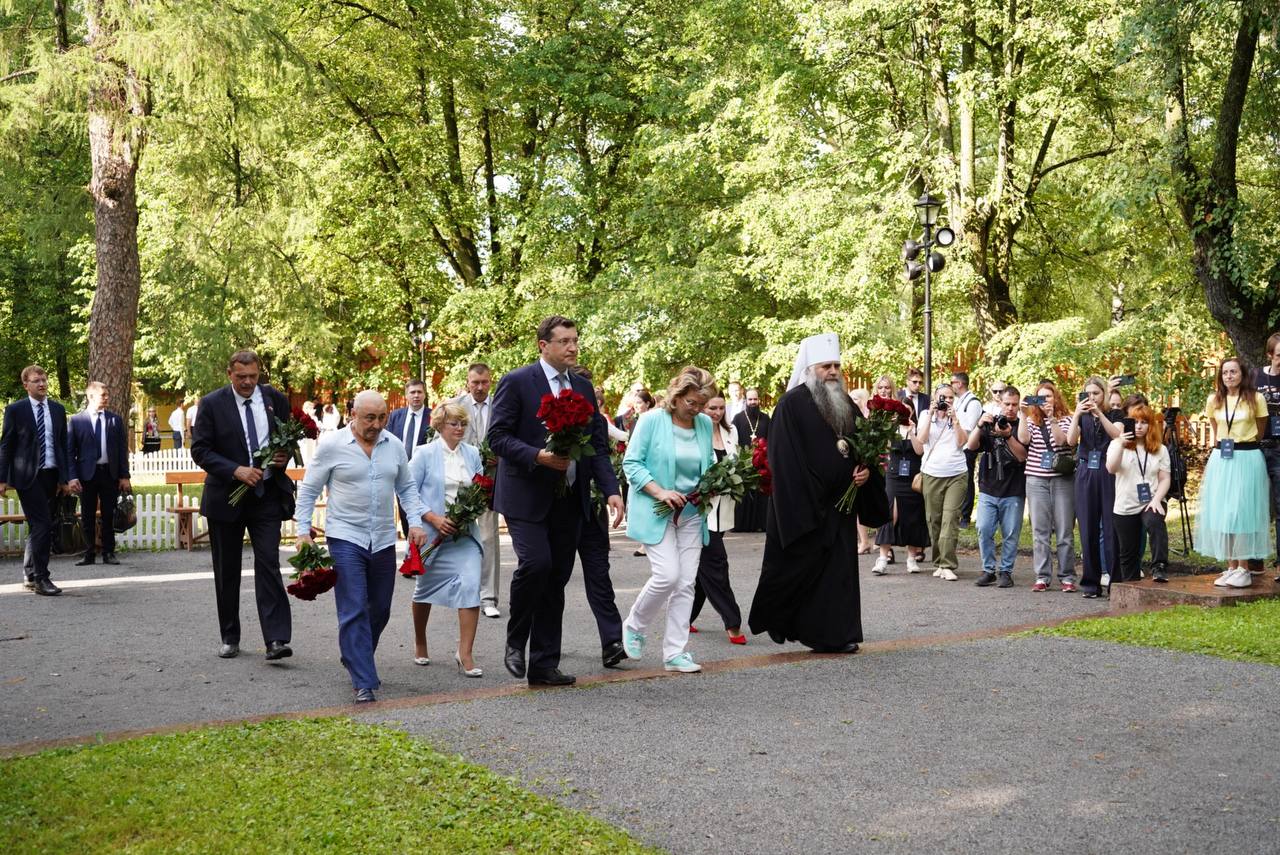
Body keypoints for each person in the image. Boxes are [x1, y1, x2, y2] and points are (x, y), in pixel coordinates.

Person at [488, 315, 624, 687]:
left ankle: (544, 664)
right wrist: (538, 456)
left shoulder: (582, 386)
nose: (573, 347)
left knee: (556, 579)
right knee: (536, 564)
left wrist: (611, 489)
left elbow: (597, 446)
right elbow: (496, 438)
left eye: (575, 340)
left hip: (570, 498)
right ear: (543, 346)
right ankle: (516, 640)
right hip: (526, 494)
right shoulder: (517, 382)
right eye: (564, 341)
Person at [748, 334, 888, 653]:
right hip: (808, 508)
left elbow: (859, 447)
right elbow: (784, 460)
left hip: (842, 508)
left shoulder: (847, 403)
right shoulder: (791, 404)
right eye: (827, 366)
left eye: (837, 365)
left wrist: (864, 470)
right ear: (811, 369)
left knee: (839, 575)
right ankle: (791, 624)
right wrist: (815, 494)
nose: (833, 371)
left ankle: (836, 634)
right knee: (801, 572)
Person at [295, 390, 427, 702]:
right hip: (345, 537)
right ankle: (364, 681)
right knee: (353, 605)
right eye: (370, 417)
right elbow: (309, 488)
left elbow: (406, 487)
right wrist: (302, 531)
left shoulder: (393, 445)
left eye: (382, 417)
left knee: (379, 608)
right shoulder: (332, 445)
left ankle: (355, 655)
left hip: (382, 538)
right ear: (353, 414)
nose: (377, 424)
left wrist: (416, 522)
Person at [190, 350, 295, 660]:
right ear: (229, 374)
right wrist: (236, 470)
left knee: (268, 564)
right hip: (226, 498)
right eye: (241, 377)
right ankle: (230, 635)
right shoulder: (211, 404)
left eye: (253, 376)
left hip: (267, 496)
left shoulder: (275, 399)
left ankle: (275, 639)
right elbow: (201, 450)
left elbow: (288, 440)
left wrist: (284, 455)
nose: (248, 382)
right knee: (227, 570)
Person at [621, 367, 718, 672]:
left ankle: (675, 652)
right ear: (676, 397)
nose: (699, 409)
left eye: (703, 403)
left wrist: (715, 482)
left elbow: (710, 462)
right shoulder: (650, 421)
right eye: (693, 402)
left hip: (691, 512)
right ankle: (634, 625)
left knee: (687, 582)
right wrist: (660, 491)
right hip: (657, 510)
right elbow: (631, 463)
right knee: (667, 575)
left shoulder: (702, 423)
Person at [407, 403, 485, 677]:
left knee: (471, 585)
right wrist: (432, 518)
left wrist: (467, 514)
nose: (460, 429)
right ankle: (420, 640)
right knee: (423, 590)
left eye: (463, 424)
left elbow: (479, 489)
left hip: (464, 535)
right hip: (431, 535)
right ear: (440, 425)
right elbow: (409, 493)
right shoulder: (424, 454)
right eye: (454, 424)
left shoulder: (473, 453)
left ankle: (464, 653)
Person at [570, 366, 628, 669]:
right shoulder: (552, 413)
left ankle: (612, 641)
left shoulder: (596, 418)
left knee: (599, 575)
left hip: (592, 509)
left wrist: (611, 491)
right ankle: (541, 643)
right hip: (561, 507)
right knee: (552, 578)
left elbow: (602, 454)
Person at [1196, 356, 1270, 589]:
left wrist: (1243, 444)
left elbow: (1260, 430)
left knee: (1242, 511)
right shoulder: (1214, 400)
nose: (1229, 376)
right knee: (1223, 512)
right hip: (1222, 459)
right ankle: (1230, 567)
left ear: (1242, 374)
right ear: (1221, 376)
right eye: (1225, 372)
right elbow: (1217, 429)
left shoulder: (1256, 399)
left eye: (1233, 372)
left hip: (1247, 458)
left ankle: (1244, 568)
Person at [0, 365, 72, 596]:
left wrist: (65, 479)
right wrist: (2, 479)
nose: (41, 384)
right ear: (26, 385)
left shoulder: (58, 409)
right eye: (36, 381)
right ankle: (42, 578)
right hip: (28, 476)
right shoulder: (16, 410)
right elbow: (6, 446)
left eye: (44, 380)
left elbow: (63, 446)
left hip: (52, 474)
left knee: (40, 525)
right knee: (42, 524)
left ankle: (30, 573)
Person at [688, 394, 746, 644]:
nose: (717, 412)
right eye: (712, 408)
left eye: (721, 408)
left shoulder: (731, 431)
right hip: (700, 509)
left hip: (724, 508)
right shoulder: (693, 432)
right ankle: (732, 622)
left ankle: (684, 617)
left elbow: (736, 464)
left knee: (705, 566)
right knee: (716, 563)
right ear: (702, 408)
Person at [452, 363, 502, 618]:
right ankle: (463, 592)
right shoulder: (456, 406)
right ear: (468, 382)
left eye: (484, 382)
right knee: (458, 537)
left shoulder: (500, 404)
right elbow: (444, 439)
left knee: (488, 537)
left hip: (491, 481)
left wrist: (501, 457)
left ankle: (488, 598)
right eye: (475, 382)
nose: (480, 387)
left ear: (490, 381)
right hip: (460, 480)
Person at [1016, 381, 1077, 592]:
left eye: (1048, 397)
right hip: (1036, 479)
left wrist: (1051, 419)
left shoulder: (1067, 419)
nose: (1045, 401)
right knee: (1039, 531)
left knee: (1064, 530)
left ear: (1055, 398)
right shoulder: (1031, 420)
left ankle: (1067, 576)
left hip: (1062, 479)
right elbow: (1023, 439)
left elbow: (1063, 442)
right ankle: (1042, 576)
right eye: (1040, 398)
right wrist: (1023, 414)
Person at [1067, 375, 1124, 598]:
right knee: (1087, 527)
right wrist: (1076, 414)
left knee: (1110, 527)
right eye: (1088, 394)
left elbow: (1117, 435)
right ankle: (1090, 583)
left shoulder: (1114, 413)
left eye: (1096, 394)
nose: (1091, 398)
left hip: (1107, 469)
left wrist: (1099, 413)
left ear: (1104, 395)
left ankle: (1114, 581)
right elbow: (1071, 441)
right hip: (1084, 471)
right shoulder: (1081, 415)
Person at [967, 387, 1027, 588]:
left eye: (1014, 405)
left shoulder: (1022, 426)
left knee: (1010, 533)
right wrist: (979, 425)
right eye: (1007, 404)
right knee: (983, 528)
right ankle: (988, 570)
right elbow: (972, 446)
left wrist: (1009, 435)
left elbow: (1022, 456)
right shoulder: (990, 423)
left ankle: (1006, 571)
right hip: (988, 487)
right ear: (999, 403)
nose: (1010, 409)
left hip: (1013, 488)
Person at [67, 382, 131, 567]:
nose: (106, 398)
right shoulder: (77, 421)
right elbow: (70, 452)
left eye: (107, 394)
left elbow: (121, 451)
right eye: (103, 395)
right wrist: (72, 477)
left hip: (108, 474)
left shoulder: (114, 420)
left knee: (109, 514)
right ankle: (88, 553)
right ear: (91, 397)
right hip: (86, 476)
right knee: (87, 515)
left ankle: (109, 552)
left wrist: (124, 476)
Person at [1107, 403, 1172, 584]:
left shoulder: (1160, 449)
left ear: (1150, 425)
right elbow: (1111, 468)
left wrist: (1157, 499)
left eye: (1144, 422)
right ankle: (1130, 589)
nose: (1139, 426)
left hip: (1151, 499)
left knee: (1154, 520)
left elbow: (1165, 478)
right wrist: (1121, 443)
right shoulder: (1116, 445)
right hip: (1125, 503)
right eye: (1135, 422)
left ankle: (1159, 566)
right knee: (1128, 552)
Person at [912, 384, 971, 580]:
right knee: (934, 520)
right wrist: (930, 414)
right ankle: (938, 562)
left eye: (950, 397)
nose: (946, 401)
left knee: (950, 518)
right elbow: (921, 440)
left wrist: (954, 420)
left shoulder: (960, 414)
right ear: (935, 399)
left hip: (956, 474)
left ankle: (948, 564)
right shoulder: (925, 415)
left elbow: (963, 442)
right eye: (942, 397)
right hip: (932, 474)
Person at [872, 376, 928, 576]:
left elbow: (919, 450)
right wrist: (892, 426)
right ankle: (882, 557)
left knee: (912, 516)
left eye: (908, 409)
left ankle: (912, 558)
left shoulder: (918, 427)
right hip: (894, 476)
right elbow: (884, 448)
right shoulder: (890, 428)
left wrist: (911, 429)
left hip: (912, 477)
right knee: (890, 515)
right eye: (901, 410)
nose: (905, 413)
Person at [387, 379, 433, 537]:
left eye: (419, 392)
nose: (416, 396)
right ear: (406, 395)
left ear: (424, 394)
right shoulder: (395, 416)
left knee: (425, 514)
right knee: (406, 515)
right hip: (401, 474)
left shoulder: (433, 416)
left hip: (425, 475)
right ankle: (411, 552)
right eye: (412, 392)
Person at [1253, 332, 1280, 583]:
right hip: (1256, 448)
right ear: (1270, 355)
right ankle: (1254, 563)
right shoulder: (1255, 377)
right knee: (1253, 506)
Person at [731, 388, 771, 532]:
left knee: (761, 494)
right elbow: (733, 440)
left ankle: (761, 524)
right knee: (745, 494)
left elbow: (771, 439)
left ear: (759, 400)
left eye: (755, 399)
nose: (753, 402)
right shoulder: (737, 418)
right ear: (746, 401)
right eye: (750, 400)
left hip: (762, 463)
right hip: (743, 462)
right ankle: (743, 524)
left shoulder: (766, 418)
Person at [950, 372, 985, 528]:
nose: (951, 386)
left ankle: (965, 516)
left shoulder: (973, 402)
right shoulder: (958, 402)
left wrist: (956, 424)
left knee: (967, 481)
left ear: (959, 383)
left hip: (967, 447)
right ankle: (957, 513)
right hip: (957, 446)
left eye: (952, 382)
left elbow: (970, 426)